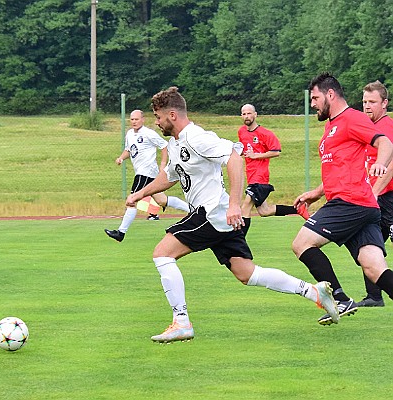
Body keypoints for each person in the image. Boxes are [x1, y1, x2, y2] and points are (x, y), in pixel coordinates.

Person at [126, 86, 338, 343]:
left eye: (158, 117)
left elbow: (234, 158)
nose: (156, 122)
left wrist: (234, 205)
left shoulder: (196, 137)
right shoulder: (176, 144)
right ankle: (314, 292)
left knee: (162, 253)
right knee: (247, 273)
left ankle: (181, 322)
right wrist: (140, 195)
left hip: (212, 212)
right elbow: (167, 177)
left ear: (172, 115)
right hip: (217, 217)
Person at [292, 72, 393, 325]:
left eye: (315, 98)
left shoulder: (352, 118)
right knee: (373, 267)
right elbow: (339, 168)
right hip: (363, 206)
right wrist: (316, 193)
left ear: (330, 94)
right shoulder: (331, 126)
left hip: (351, 202)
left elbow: (385, 144)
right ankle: (343, 298)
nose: (312, 103)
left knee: (302, 243)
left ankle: (339, 298)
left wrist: (380, 164)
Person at [104, 109, 189, 242]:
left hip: (146, 172)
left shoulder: (149, 133)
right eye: (132, 119)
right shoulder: (130, 134)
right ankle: (192, 209)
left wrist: (162, 164)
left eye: (136, 119)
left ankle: (121, 233)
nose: (134, 122)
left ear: (142, 120)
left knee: (131, 200)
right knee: (162, 200)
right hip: (144, 172)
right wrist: (121, 158)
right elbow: (129, 150)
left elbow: (164, 145)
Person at [238, 104, 309, 235]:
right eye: (244, 114)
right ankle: (297, 209)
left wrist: (257, 155)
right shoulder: (241, 131)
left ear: (255, 114)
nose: (246, 116)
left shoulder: (265, 133)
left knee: (245, 207)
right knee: (264, 211)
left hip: (260, 177)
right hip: (250, 175)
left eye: (249, 113)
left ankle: (238, 242)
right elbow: (245, 149)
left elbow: (276, 151)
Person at [356, 81, 393, 307]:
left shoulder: (386, 127)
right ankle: (374, 296)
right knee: (368, 243)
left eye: (372, 102)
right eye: (364, 102)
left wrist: (375, 192)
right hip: (377, 198)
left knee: (369, 243)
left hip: (387, 198)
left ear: (384, 103)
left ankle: (375, 296)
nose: (367, 106)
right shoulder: (369, 127)